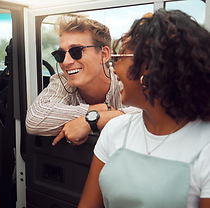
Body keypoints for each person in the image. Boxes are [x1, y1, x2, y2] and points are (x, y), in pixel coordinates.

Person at [71, 9, 210, 208]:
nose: (112, 67)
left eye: (120, 57)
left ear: (150, 68)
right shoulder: (115, 131)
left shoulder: (205, 145)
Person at [25, 15, 139, 146]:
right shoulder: (63, 81)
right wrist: (97, 109)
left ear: (104, 55)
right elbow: (34, 119)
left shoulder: (126, 79)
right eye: (60, 55)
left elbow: (152, 114)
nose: (66, 62)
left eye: (76, 51)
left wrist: (93, 120)